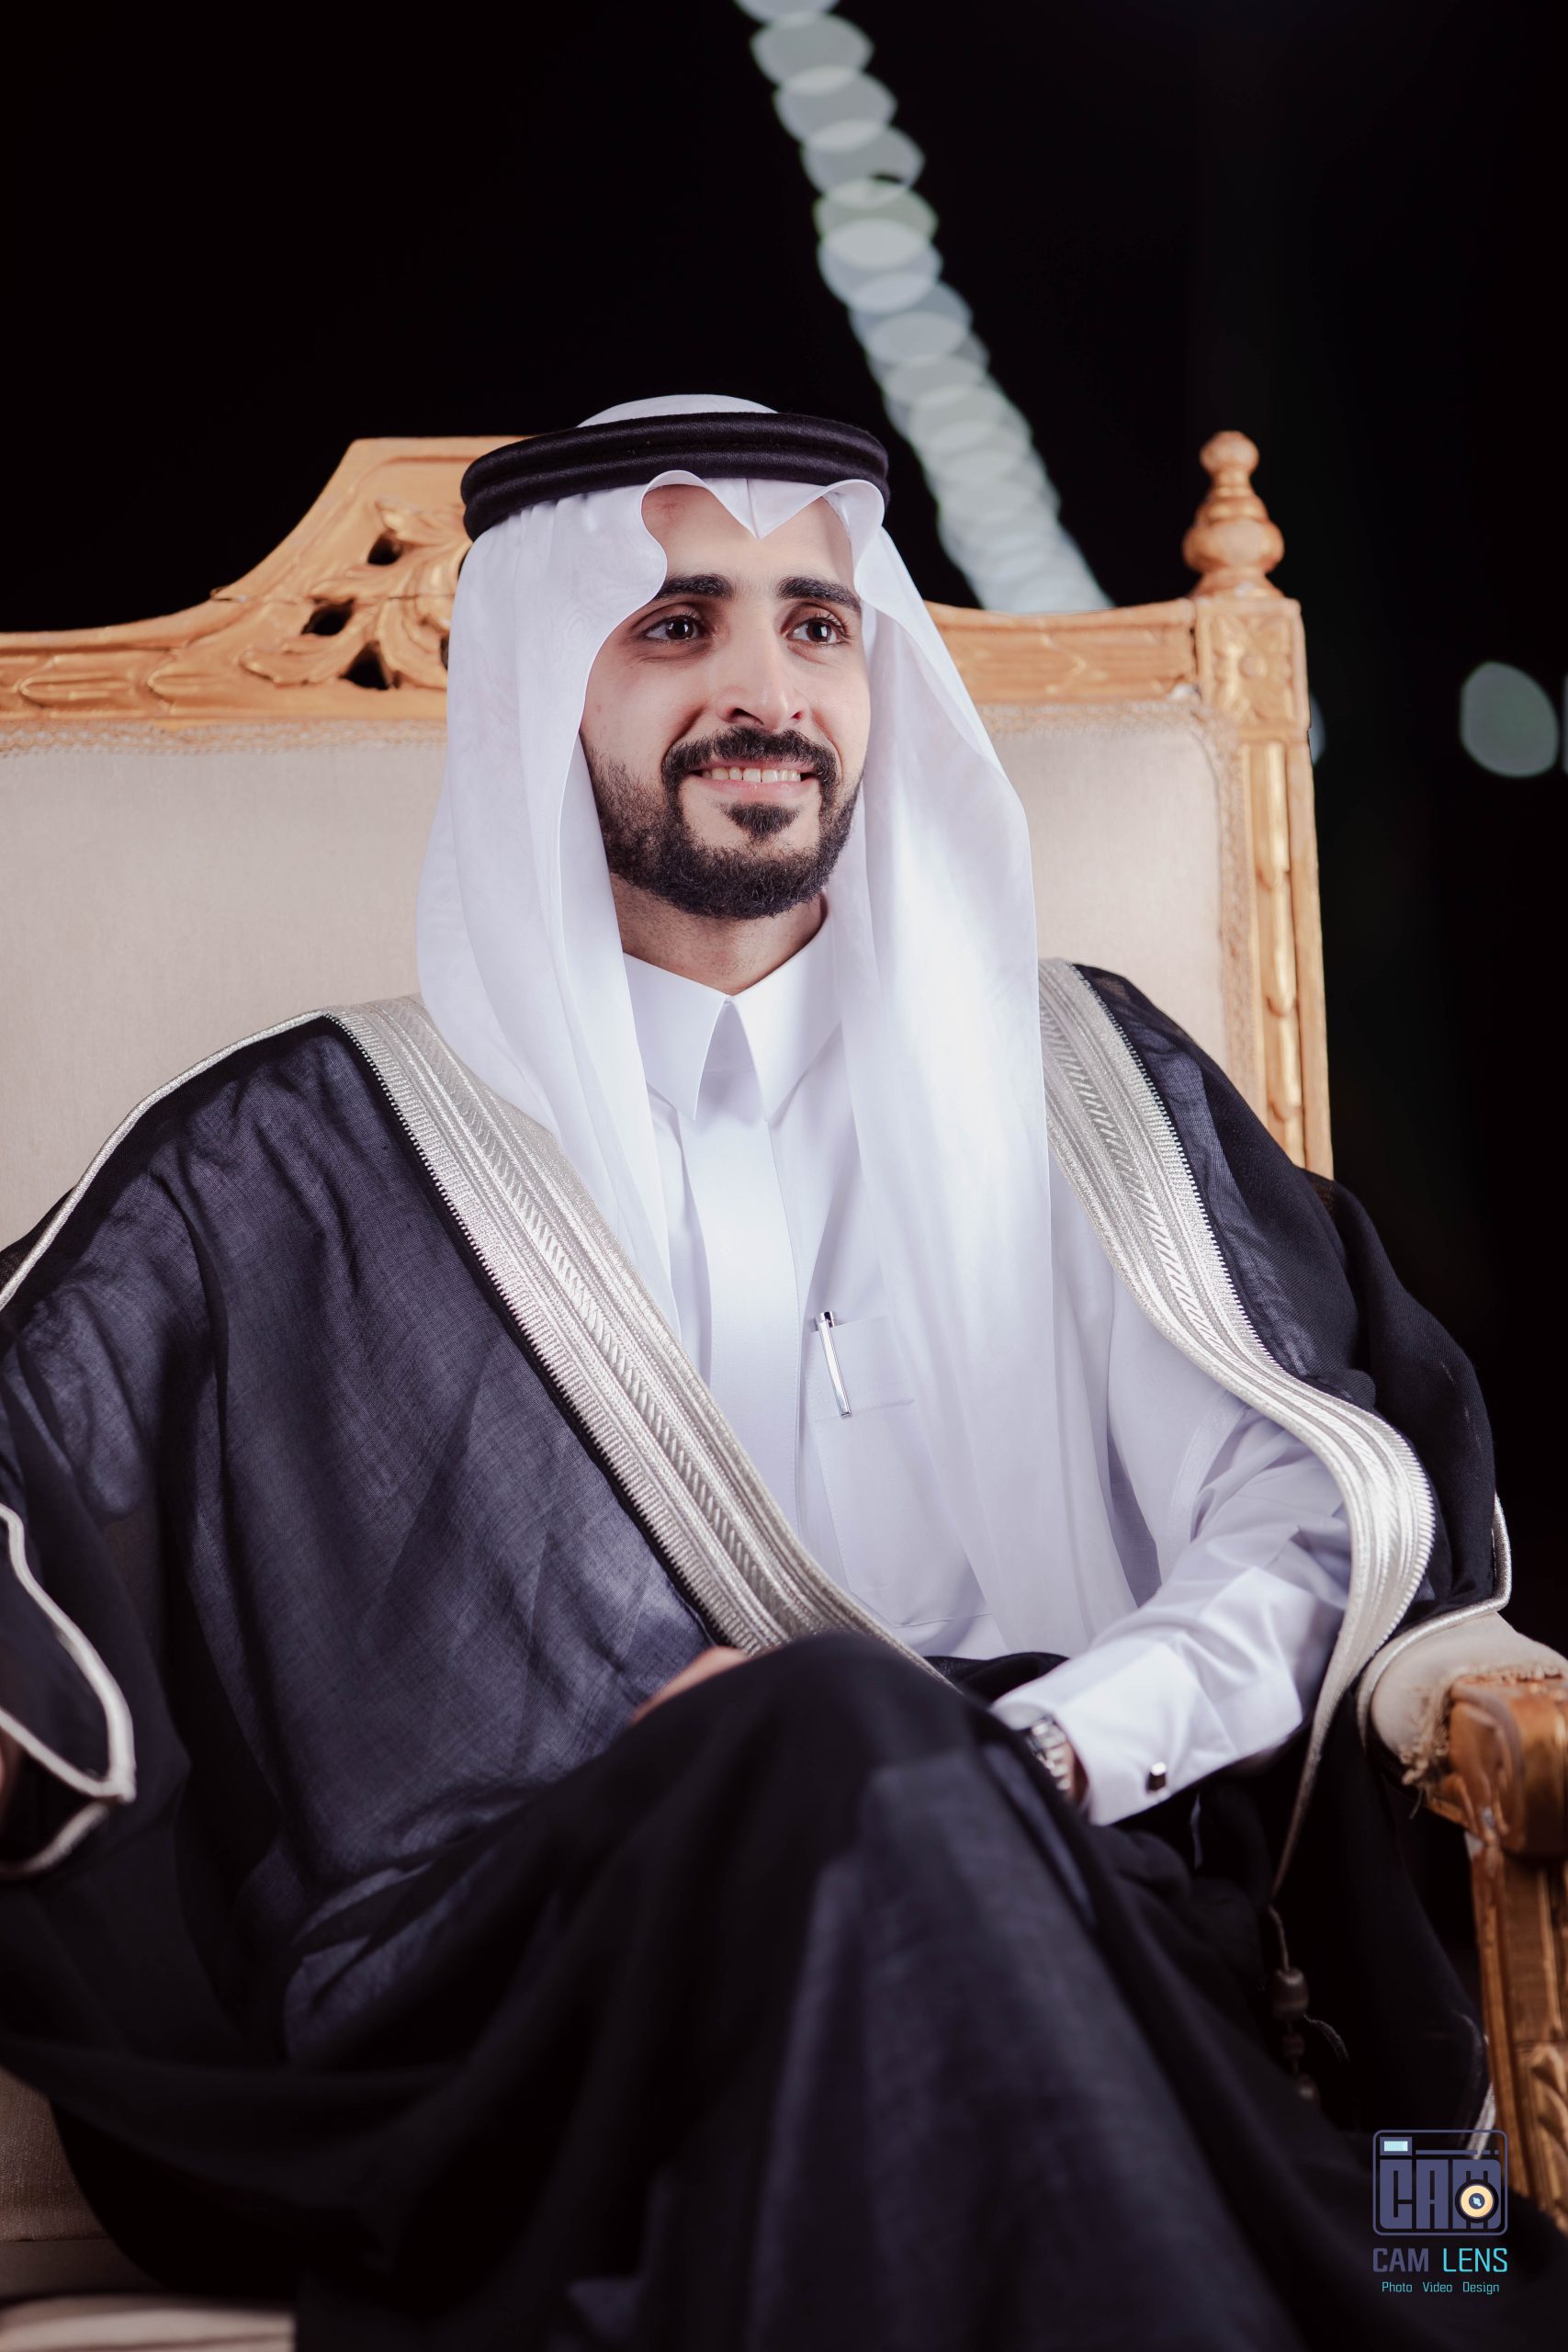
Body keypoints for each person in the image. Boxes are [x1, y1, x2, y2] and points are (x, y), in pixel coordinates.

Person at [0, 394, 1561, 2346]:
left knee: (886, 1778)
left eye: (816, 624)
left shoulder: (1085, 1089)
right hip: (559, 2000)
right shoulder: (310, 1158)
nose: (764, 688)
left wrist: (1038, 1750)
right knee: (832, 1742)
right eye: (676, 625)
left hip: (1073, 1898)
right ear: (543, 691)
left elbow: (1305, 1522)